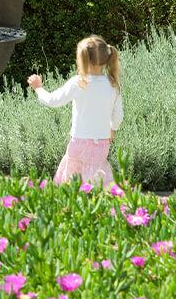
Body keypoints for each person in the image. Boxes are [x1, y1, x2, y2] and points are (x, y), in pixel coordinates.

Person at [27, 35, 123, 186]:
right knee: (97, 177)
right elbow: (118, 115)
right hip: (102, 144)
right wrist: (113, 129)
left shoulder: (79, 82)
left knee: (72, 181)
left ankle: (72, 206)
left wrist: (38, 88)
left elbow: (52, 101)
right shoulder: (113, 84)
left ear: (82, 59)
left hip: (79, 143)